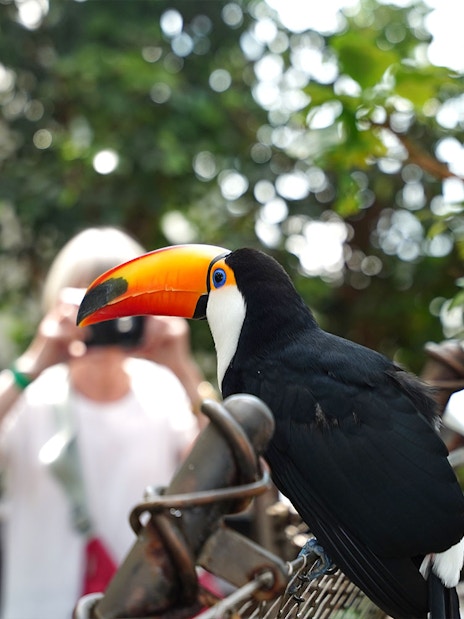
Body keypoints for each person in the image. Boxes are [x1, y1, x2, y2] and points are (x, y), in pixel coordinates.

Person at [0, 227, 209, 619]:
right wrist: (35, 361)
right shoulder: (28, 394)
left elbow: (230, 472)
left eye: (118, 300)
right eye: (90, 302)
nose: (104, 318)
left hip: (145, 607)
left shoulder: (162, 389)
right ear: (59, 306)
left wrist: (183, 368)